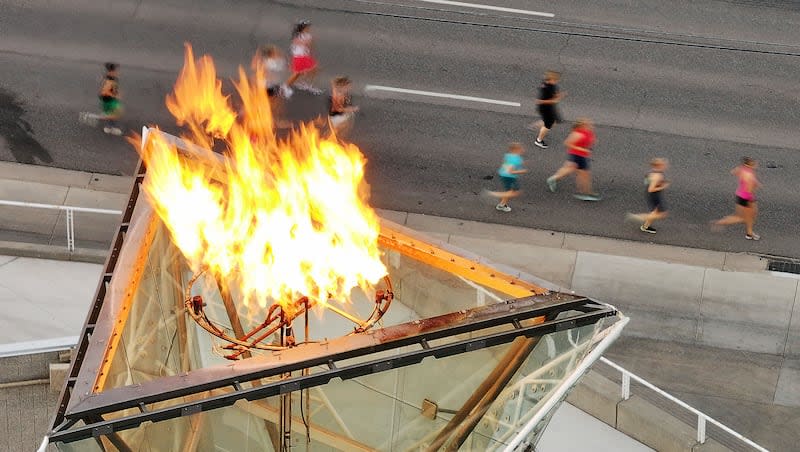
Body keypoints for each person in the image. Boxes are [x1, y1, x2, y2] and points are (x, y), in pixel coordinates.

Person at [546, 118, 600, 201]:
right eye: (589, 124)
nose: (591, 126)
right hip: (578, 155)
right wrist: (583, 149)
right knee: (584, 175)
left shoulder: (587, 131)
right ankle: (585, 193)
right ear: (582, 126)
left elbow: (591, 139)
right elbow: (567, 143)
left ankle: (553, 179)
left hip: (581, 155)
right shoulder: (577, 134)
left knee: (570, 169)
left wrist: (591, 143)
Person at [712, 157, 762, 240]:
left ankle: (749, 233)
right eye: (754, 163)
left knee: (752, 214)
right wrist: (754, 185)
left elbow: (734, 172)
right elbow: (749, 189)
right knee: (743, 217)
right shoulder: (749, 176)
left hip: (740, 195)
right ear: (749, 164)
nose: (756, 164)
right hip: (746, 198)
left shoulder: (742, 169)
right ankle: (720, 222)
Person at [626, 158, 670, 234]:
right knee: (662, 214)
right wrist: (663, 186)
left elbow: (647, 182)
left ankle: (645, 227)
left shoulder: (651, 173)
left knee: (654, 212)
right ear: (659, 166)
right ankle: (639, 217)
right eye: (664, 164)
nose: (666, 165)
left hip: (651, 195)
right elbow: (651, 189)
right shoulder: (657, 176)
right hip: (654, 196)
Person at [79, 62, 122, 135]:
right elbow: (104, 92)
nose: (117, 72)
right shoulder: (110, 81)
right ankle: (91, 117)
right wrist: (114, 95)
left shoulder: (109, 78)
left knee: (112, 114)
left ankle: (108, 127)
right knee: (113, 115)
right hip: (109, 101)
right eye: (116, 70)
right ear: (111, 71)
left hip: (108, 100)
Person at [485, 143, 528, 212]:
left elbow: (506, 164)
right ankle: (493, 195)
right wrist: (522, 171)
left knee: (509, 191)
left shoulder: (508, 155)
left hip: (503, 174)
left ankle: (502, 204)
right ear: (515, 150)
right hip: (509, 177)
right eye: (520, 148)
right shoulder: (517, 159)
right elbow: (510, 171)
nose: (523, 149)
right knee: (514, 193)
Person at [528, 71, 562, 149]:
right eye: (555, 80)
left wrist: (556, 96)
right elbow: (539, 101)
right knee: (548, 124)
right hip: (545, 109)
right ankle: (539, 140)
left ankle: (537, 125)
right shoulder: (547, 88)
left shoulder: (548, 84)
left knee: (556, 121)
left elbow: (554, 95)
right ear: (550, 80)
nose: (556, 82)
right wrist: (555, 100)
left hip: (549, 108)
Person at [285, 20, 321, 94]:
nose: (309, 28)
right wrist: (306, 43)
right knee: (299, 73)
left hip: (302, 56)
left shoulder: (302, 35)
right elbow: (307, 45)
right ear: (303, 28)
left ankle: (305, 84)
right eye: (307, 27)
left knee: (310, 71)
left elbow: (307, 45)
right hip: (300, 56)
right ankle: (286, 86)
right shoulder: (302, 36)